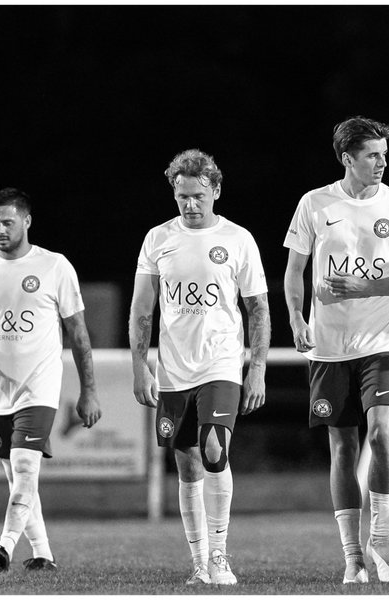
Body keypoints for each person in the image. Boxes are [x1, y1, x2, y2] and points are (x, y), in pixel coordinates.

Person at [282, 116, 389, 584]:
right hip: (328, 347)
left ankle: (380, 538)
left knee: (382, 433)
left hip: (381, 341)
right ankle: (352, 557)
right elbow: (294, 270)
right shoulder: (315, 204)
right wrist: (297, 317)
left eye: (384, 154)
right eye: (372, 155)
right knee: (343, 445)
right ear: (347, 158)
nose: (382, 162)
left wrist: (364, 285)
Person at [130, 149, 270, 586]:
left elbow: (259, 309)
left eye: (199, 196)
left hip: (221, 363)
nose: (190, 205)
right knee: (187, 463)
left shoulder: (238, 239)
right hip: (174, 370)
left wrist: (258, 367)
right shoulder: (158, 239)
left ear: (216, 191)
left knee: (214, 450)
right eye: (182, 196)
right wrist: (140, 366)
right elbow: (141, 310)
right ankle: (199, 564)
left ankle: (221, 558)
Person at [0, 187, 101, 572]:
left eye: (8, 222)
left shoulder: (54, 266)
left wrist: (89, 392)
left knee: (24, 469)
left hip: (40, 386)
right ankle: (43, 554)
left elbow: (79, 335)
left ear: (27, 221)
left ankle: (4, 546)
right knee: (16, 475)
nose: (0, 229)